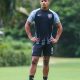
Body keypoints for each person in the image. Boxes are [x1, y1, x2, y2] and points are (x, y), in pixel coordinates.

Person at [25, 0, 63, 80]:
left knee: (46, 62)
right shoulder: (35, 13)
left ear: (48, 2)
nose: (43, 2)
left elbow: (60, 27)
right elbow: (27, 24)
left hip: (48, 42)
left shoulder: (53, 14)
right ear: (40, 2)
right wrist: (30, 37)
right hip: (37, 42)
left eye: (45, 1)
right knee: (34, 60)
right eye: (42, 1)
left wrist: (56, 39)